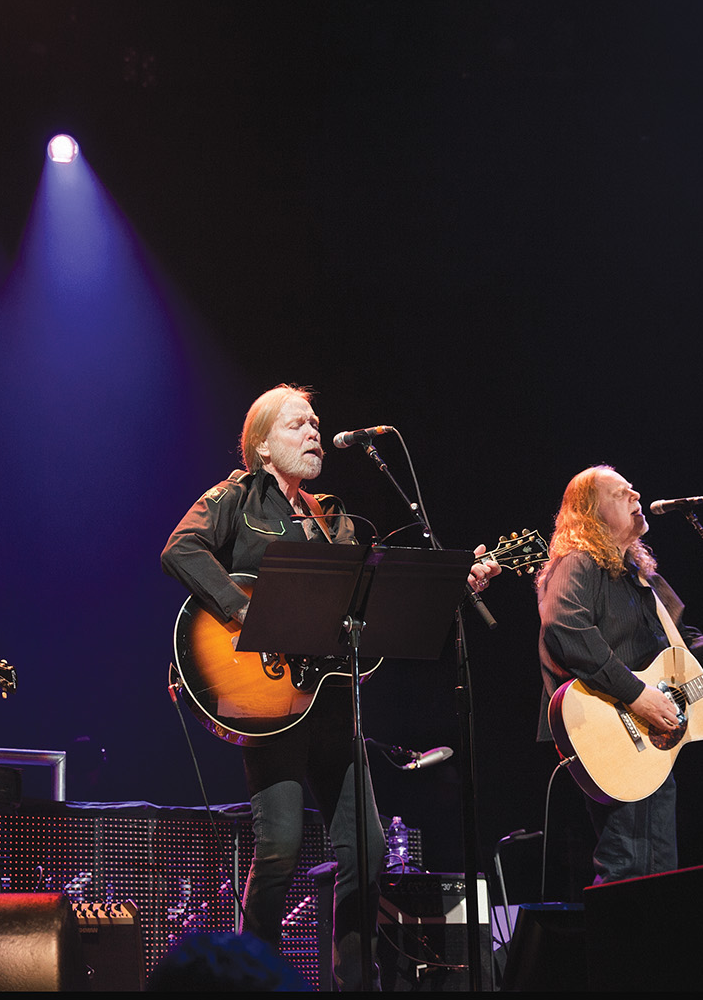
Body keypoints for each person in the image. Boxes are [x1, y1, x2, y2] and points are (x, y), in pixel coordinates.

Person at [161, 384, 498, 989]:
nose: (314, 432)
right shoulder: (234, 500)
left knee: (366, 855)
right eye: (297, 425)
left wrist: (453, 583)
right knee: (281, 851)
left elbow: (372, 593)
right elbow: (180, 550)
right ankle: (250, 977)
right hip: (266, 698)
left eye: (316, 423)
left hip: (333, 701)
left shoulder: (332, 515)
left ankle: (356, 983)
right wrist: (247, 614)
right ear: (262, 447)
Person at [535, 465, 703, 884]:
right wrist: (637, 694)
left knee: (657, 869)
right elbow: (564, 628)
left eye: (633, 490)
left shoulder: (645, 579)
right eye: (621, 493)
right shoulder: (578, 562)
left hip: (650, 735)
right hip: (609, 726)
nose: (636, 495)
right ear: (589, 512)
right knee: (626, 862)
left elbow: (685, 646)